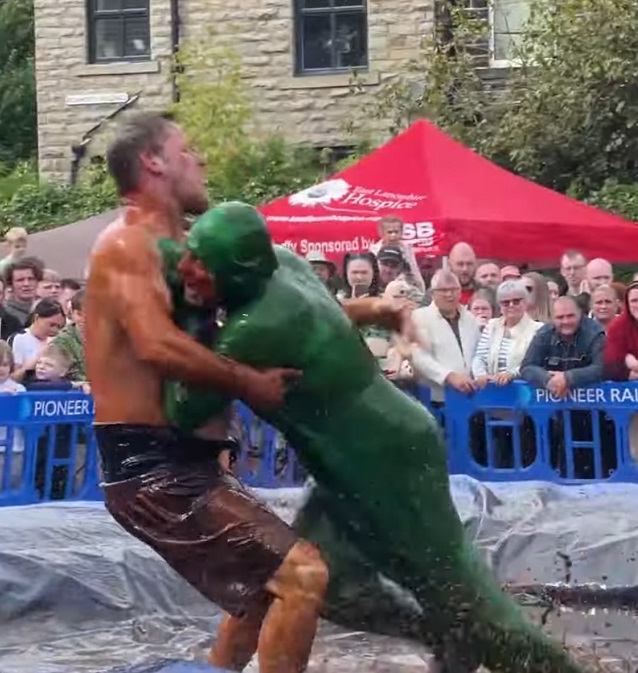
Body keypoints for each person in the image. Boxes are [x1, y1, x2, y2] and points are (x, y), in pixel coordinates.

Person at [164, 201, 597, 673]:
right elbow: (329, 313)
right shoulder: (283, 263)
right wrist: (377, 307)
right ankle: (447, 636)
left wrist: (178, 312)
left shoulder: (257, 329)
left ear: (241, 269)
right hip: (360, 456)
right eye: (188, 254)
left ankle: (545, 664)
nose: (184, 267)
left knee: (463, 599)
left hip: (384, 457)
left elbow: (183, 409)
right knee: (325, 582)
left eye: (200, 262)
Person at [83, 113, 324, 673]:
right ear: (154, 163)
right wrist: (249, 382)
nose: (203, 162)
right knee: (303, 575)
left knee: (263, 591)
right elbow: (157, 346)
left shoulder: (188, 250)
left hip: (191, 461)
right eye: (189, 150)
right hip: (150, 467)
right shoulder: (126, 244)